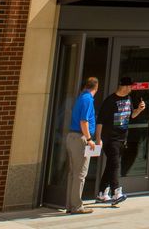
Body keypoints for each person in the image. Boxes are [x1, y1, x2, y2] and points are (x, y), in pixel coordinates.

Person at [96, 76, 146, 203]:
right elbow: (100, 121)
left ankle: (102, 193)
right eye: (130, 86)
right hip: (109, 138)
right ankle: (116, 192)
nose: (131, 89)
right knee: (115, 165)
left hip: (122, 138)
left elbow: (131, 115)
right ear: (124, 86)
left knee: (111, 165)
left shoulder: (128, 99)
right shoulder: (110, 101)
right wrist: (98, 139)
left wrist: (139, 110)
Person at [63, 76, 98, 214]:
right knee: (80, 174)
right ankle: (77, 206)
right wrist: (89, 139)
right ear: (96, 88)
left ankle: (70, 205)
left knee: (73, 173)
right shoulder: (88, 99)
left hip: (72, 137)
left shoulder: (80, 98)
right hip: (80, 138)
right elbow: (84, 122)